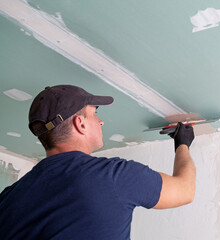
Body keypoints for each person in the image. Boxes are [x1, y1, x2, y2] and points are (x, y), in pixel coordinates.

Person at [0, 85, 196, 240]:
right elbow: (185, 190)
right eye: (95, 114)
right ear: (81, 124)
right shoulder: (113, 176)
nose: (100, 121)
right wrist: (183, 144)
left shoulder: (8, 198)